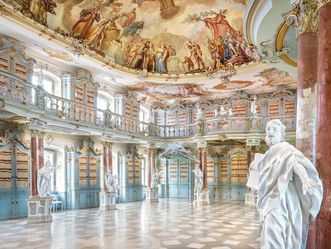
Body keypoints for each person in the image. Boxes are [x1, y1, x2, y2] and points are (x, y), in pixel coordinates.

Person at [257, 119, 323, 249]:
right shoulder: (268, 155)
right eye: (268, 130)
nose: (270, 133)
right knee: (270, 230)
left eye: (274, 130)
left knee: (277, 228)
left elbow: (295, 163)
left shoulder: (286, 149)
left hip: (283, 197)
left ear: (281, 134)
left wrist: (305, 179)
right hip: (270, 196)